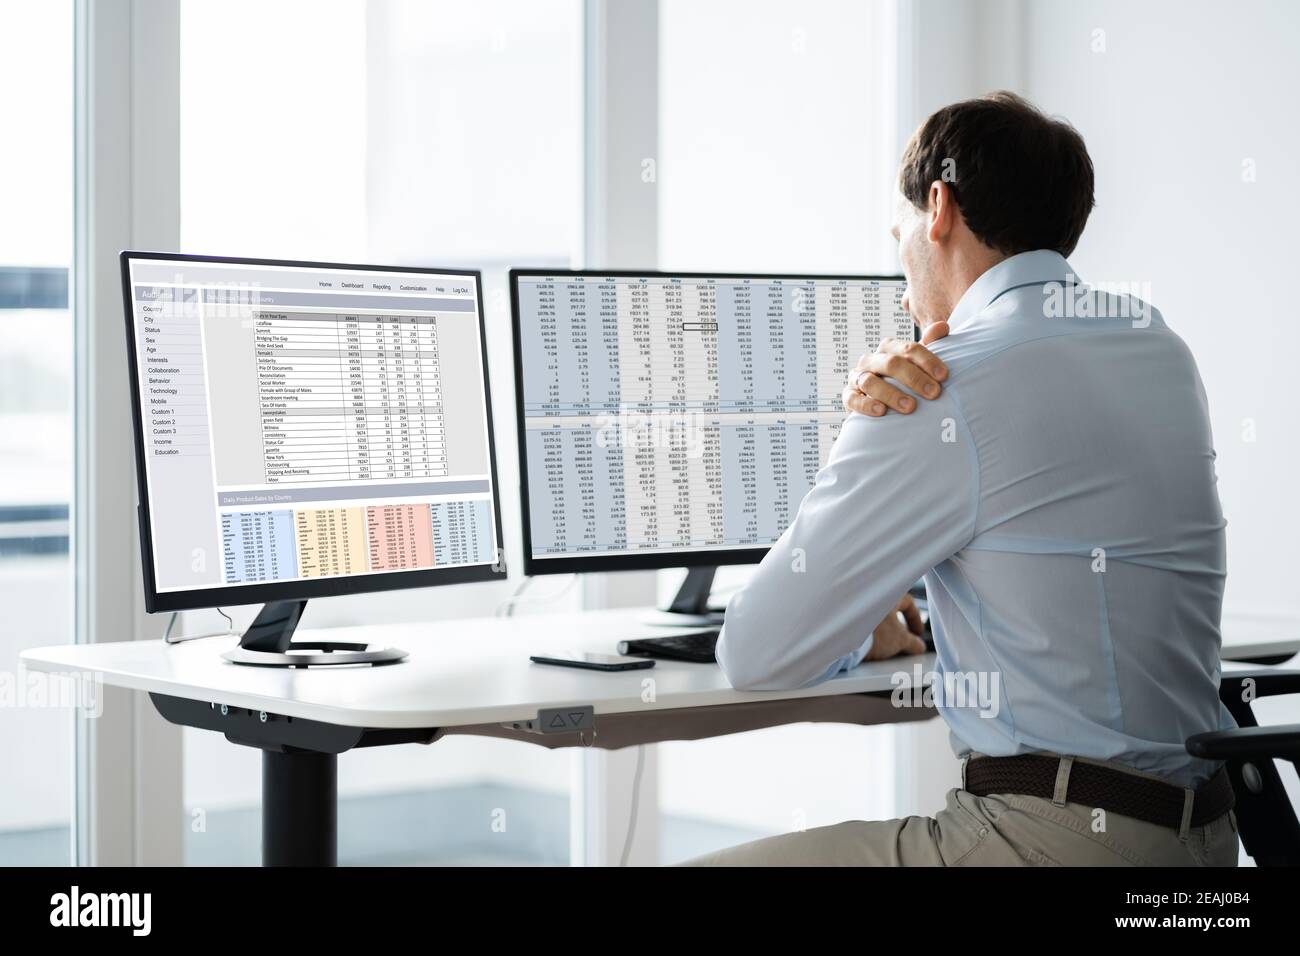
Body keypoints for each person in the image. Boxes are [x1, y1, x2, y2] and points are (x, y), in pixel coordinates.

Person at [692, 92, 1239, 866]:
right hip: (1206, 848)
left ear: (938, 207)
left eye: (898, 234)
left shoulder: (941, 385)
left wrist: (873, 423)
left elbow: (754, 652)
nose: (902, 273)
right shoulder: (1158, 348)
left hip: (1050, 843)